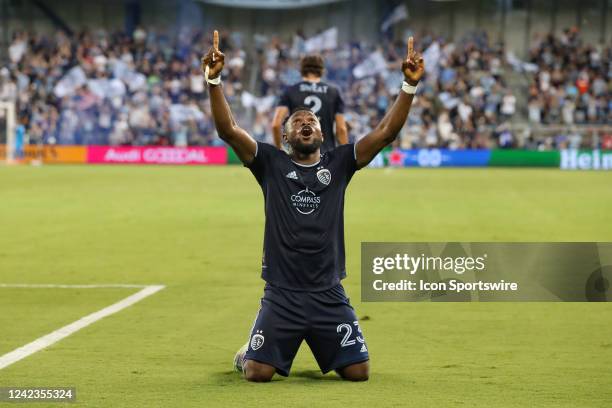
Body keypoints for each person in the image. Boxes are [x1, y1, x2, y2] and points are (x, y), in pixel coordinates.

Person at [202, 30, 424, 382]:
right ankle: (249, 352)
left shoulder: (340, 163)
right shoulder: (270, 163)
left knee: (358, 372)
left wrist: (408, 87)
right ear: (286, 137)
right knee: (257, 374)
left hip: (327, 291)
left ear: (322, 134)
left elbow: (384, 133)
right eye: (298, 122)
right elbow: (228, 129)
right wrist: (213, 80)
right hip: (282, 292)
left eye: (312, 122)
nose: (306, 123)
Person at [271, 54, 347, 153]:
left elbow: (276, 124)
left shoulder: (290, 91)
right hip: (326, 154)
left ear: (301, 70)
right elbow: (341, 129)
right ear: (322, 70)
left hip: (298, 155)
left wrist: (279, 149)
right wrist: (346, 155)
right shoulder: (334, 92)